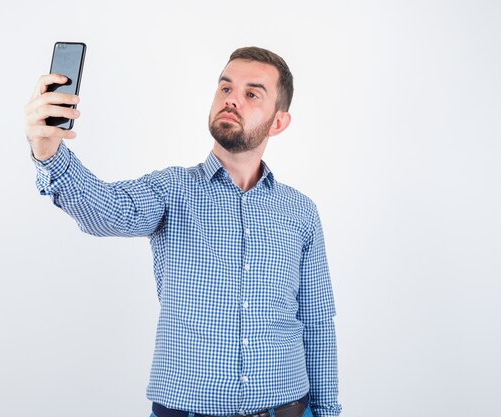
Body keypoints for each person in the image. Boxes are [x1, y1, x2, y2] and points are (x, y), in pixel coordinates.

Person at [24, 46, 341, 417]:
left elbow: (317, 322)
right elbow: (104, 210)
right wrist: (48, 150)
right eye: (225, 89)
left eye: (251, 94)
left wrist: (326, 411)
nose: (232, 100)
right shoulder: (172, 190)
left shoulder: (300, 211)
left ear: (278, 122)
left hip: (289, 409)